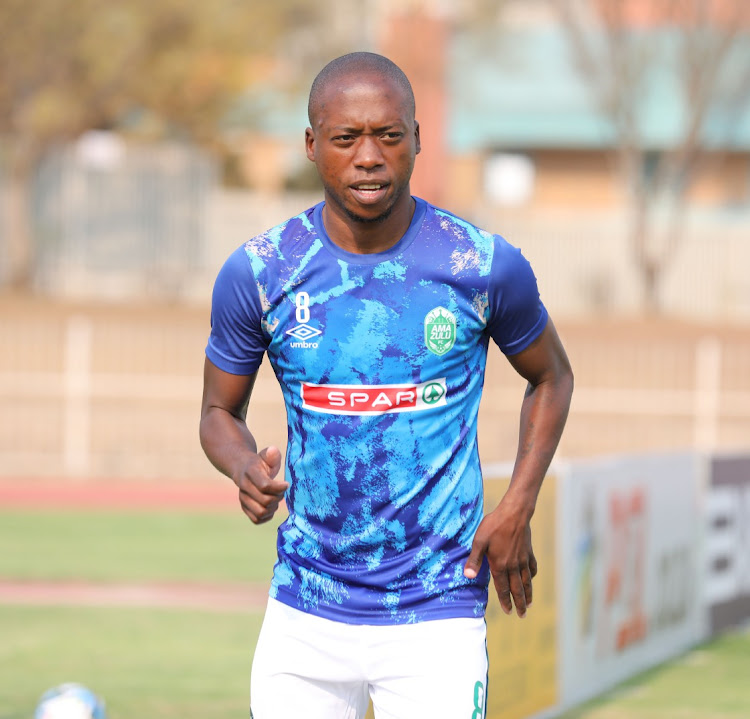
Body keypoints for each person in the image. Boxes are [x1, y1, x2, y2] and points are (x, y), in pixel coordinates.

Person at [200, 51, 573, 719]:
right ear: (313, 145)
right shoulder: (259, 271)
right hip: (306, 607)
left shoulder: (480, 265)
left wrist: (518, 503)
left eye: (389, 135)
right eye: (347, 138)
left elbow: (551, 375)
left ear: (418, 140)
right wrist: (242, 467)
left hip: (437, 607)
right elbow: (217, 412)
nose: (369, 156)